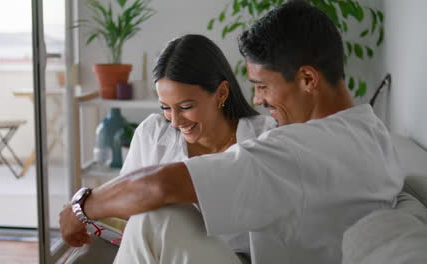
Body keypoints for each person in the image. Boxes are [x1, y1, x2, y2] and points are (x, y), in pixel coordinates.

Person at [60, 2, 404, 264]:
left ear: (308, 79)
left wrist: (82, 206)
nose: (257, 98)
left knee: (160, 218)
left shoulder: (297, 149)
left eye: (262, 86)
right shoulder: (370, 131)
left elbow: (162, 186)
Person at [61, 34, 275, 263]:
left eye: (185, 106)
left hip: (235, 258)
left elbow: (156, 191)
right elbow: (124, 210)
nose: (175, 121)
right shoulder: (152, 133)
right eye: (166, 107)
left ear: (221, 93)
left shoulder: (263, 138)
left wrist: (82, 205)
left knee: (160, 212)